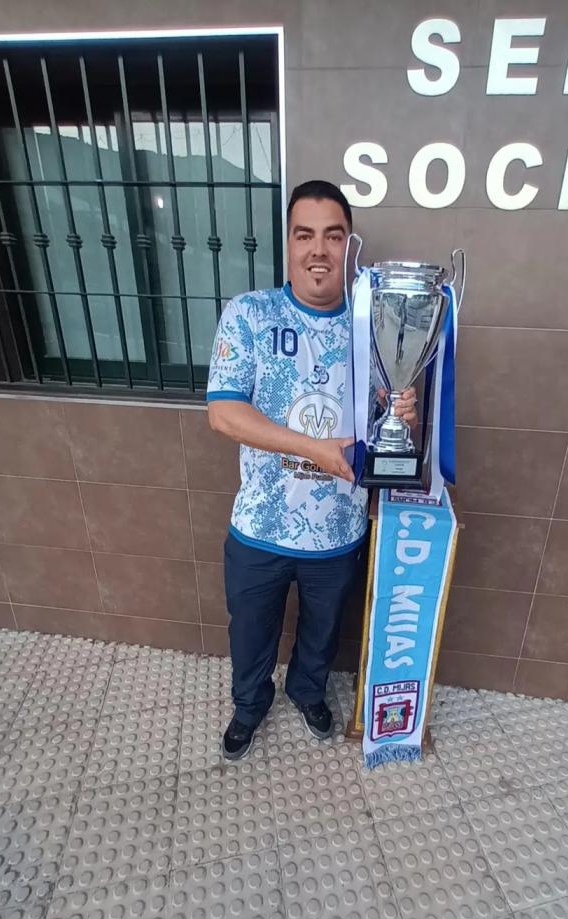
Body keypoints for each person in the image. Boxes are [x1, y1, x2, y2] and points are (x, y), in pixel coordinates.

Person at [207, 179, 417, 760]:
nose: (318, 250)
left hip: (339, 527)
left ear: (350, 245)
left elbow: (388, 413)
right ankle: (249, 706)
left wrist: (402, 409)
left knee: (323, 631)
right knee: (251, 630)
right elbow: (224, 413)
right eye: (305, 235)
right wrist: (314, 448)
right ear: (289, 244)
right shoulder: (249, 314)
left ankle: (306, 691)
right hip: (260, 524)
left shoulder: (375, 326)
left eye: (333, 235)